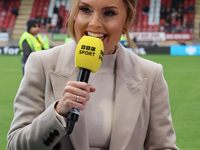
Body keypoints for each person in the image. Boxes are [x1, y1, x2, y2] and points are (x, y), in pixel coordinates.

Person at [7, 0, 179, 150]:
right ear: (75, 14)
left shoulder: (151, 74)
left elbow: (163, 146)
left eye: (109, 13)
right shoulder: (42, 63)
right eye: (85, 10)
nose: (94, 23)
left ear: (127, 21)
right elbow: (15, 145)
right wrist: (57, 113)